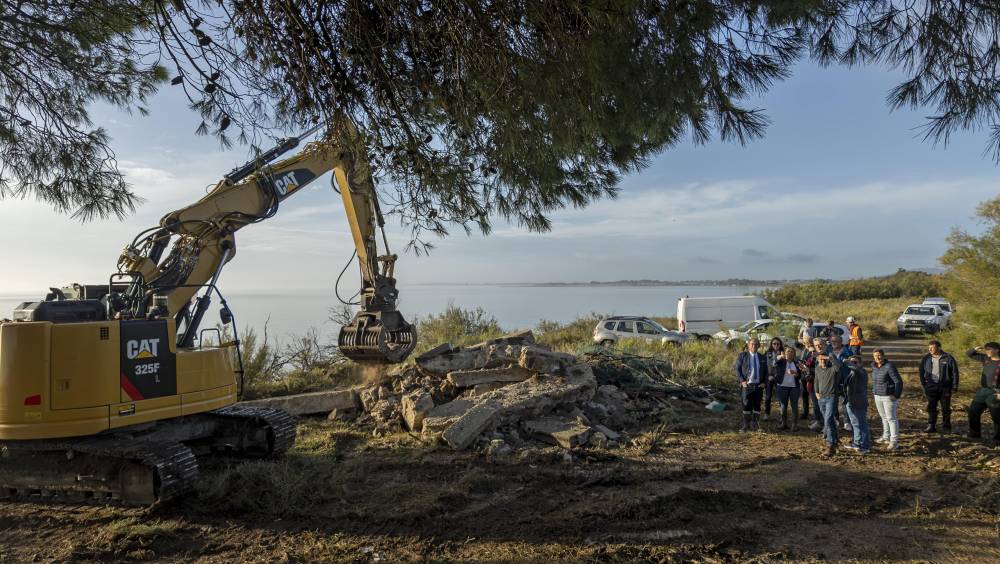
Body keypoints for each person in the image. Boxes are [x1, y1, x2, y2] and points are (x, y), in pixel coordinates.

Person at [918, 340, 960, 433]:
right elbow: (921, 371)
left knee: (946, 408)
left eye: (932, 347)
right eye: (929, 348)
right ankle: (931, 425)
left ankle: (946, 427)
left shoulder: (948, 358)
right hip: (931, 387)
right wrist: (924, 384)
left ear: (939, 348)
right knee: (931, 407)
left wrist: (954, 387)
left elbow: (955, 373)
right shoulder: (926, 358)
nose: (930, 349)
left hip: (945, 388)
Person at [966, 342, 1000, 444]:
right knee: (973, 411)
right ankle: (975, 435)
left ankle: (998, 438)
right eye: (986, 349)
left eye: (989, 349)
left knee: (997, 416)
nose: (987, 351)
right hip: (983, 390)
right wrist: (976, 348)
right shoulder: (986, 359)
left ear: (997, 350)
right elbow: (969, 354)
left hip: (996, 392)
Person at [871, 348, 903, 450]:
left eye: (879, 355)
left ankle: (894, 441)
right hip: (877, 395)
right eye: (875, 356)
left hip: (888, 396)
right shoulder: (874, 367)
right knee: (883, 417)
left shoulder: (889, 366)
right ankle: (886, 436)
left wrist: (896, 395)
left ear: (883, 355)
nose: (877, 358)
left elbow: (898, 381)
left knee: (891, 418)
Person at [734, 337, 769, 432]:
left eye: (756, 344)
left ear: (759, 346)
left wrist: (764, 383)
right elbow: (737, 369)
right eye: (752, 344)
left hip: (758, 385)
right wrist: (742, 381)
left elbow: (766, 372)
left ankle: (756, 424)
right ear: (748, 345)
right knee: (746, 405)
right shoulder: (743, 355)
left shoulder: (762, 357)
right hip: (747, 385)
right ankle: (746, 425)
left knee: (757, 405)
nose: (754, 346)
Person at [813, 350, 843, 457]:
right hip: (821, 397)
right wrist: (816, 392)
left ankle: (830, 445)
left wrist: (829, 357)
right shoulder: (817, 369)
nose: (822, 361)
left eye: (823, 359)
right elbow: (816, 380)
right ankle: (835, 440)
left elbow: (839, 366)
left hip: (831, 396)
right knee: (829, 420)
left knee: (828, 419)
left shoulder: (833, 369)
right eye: (820, 359)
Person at [841, 356, 871, 454]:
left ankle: (865, 446)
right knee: (854, 423)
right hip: (850, 401)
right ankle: (857, 443)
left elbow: (854, 368)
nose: (853, 363)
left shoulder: (862, 372)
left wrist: (849, 362)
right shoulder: (852, 372)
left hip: (859, 402)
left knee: (862, 424)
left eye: (856, 362)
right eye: (852, 362)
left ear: (861, 363)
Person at [773, 346, 804, 431]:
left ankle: (794, 425)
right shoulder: (781, 362)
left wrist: (796, 374)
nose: (789, 353)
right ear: (784, 353)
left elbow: (800, 375)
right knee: (783, 406)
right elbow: (775, 362)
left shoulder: (797, 363)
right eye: (787, 351)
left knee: (794, 406)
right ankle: (783, 423)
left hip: (794, 387)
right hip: (782, 386)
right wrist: (780, 356)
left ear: (794, 354)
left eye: (791, 352)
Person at [829, 335, 853, 432]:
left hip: (845, 380)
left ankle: (847, 422)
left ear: (841, 342)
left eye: (836, 341)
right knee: (833, 401)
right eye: (832, 341)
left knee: (846, 402)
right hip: (833, 380)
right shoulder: (829, 351)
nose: (833, 343)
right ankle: (836, 419)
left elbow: (853, 365)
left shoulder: (848, 351)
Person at [763, 337, 784, 420]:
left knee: (780, 397)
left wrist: (782, 357)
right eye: (774, 343)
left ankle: (782, 415)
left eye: (778, 344)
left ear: (780, 345)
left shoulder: (783, 354)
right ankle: (766, 413)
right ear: (771, 344)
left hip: (778, 377)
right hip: (769, 377)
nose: (776, 345)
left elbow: (783, 367)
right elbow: (764, 366)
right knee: (768, 396)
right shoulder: (767, 353)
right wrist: (767, 376)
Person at [798, 336, 816, 421]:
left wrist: (808, 369)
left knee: (813, 396)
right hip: (803, 376)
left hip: (812, 376)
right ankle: (805, 413)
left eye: (809, 341)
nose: (807, 342)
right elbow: (801, 360)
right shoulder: (803, 350)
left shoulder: (814, 351)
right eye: (805, 341)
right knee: (804, 395)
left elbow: (816, 365)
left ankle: (816, 415)